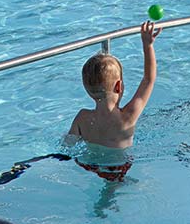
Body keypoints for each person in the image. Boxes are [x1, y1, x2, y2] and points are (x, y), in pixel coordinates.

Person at [64, 21, 161, 179]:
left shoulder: (82, 118)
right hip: (119, 167)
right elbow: (149, 80)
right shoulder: (127, 117)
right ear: (119, 86)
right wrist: (147, 45)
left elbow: (68, 144)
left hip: (91, 165)